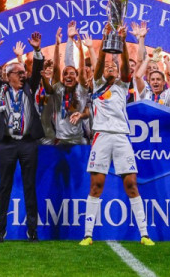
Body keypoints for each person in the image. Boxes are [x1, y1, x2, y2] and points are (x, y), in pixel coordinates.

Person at [79, 23, 154, 247]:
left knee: (131, 184)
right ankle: (87, 235)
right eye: (108, 66)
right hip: (101, 136)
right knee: (96, 186)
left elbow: (125, 70)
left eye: (114, 65)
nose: (110, 67)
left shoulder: (122, 84)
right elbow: (100, 62)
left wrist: (121, 39)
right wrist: (103, 40)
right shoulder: (97, 83)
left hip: (121, 137)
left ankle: (144, 234)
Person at [0, 31, 46, 243]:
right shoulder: (1, 89)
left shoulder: (30, 87)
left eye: (23, 73)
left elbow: (36, 71)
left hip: (28, 144)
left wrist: (37, 50)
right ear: (7, 76)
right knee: (4, 187)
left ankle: (32, 232)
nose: (22, 75)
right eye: (18, 72)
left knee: (29, 186)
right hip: (7, 145)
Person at [42, 23, 92, 145]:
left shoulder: (82, 89)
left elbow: (81, 69)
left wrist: (80, 49)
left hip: (79, 140)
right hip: (61, 139)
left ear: (76, 77)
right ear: (62, 78)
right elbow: (56, 69)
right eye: (65, 74)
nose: (68, 76)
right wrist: (57, 44)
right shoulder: (58, 89)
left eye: (72, 73)